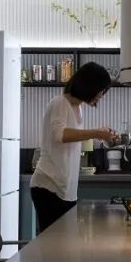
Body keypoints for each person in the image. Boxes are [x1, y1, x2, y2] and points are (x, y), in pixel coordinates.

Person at [30, 62, 115, 233]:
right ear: (89, 86)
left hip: (65, 189)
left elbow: (71, 141)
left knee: (64, 244)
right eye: (101, 90)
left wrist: (101, 135)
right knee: (54, 244)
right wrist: (96, 132)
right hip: (49, 186)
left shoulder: (77, 108)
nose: (101, 95)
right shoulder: (60, 103)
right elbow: (60, 135)